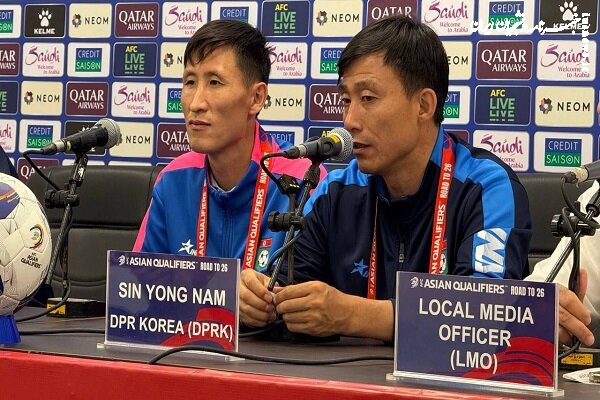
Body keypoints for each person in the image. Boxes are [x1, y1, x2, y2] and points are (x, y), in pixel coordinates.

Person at [240, 15, 532, 340]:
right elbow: (286, 298)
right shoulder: (336, 191)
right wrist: (258, 304)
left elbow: (488, 313)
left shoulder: (486, 187)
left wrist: (356, 316)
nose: (349, 121)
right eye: (346, 101)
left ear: (424, 105)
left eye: (368, 99)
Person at [134, 20, 321, 273]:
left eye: (214, 83)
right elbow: (138, 284)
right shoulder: (173, 180)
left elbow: (316, 293)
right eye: (190, 82)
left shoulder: (305, 181)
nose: (196, 103)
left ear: (256, 98)